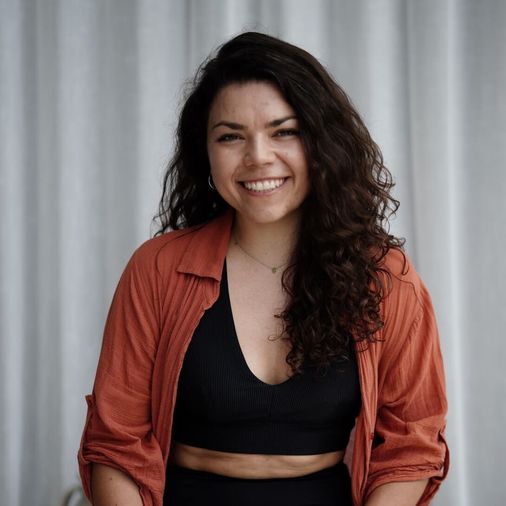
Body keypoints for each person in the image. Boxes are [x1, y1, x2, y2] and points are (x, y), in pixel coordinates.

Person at [78, 32, 449, 506]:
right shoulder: (157, 268)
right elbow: (115, 443)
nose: (258, 157)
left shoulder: (384, 277)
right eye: (231, 136)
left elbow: (410, 444)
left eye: (284, 131)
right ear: (205, 152)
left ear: (322, 142)